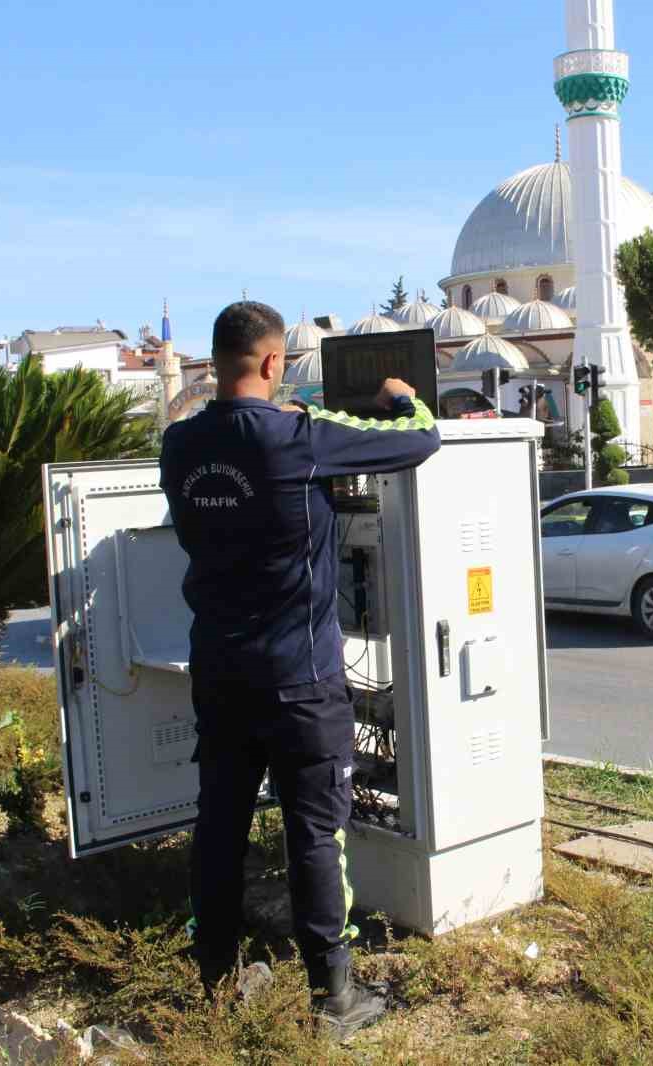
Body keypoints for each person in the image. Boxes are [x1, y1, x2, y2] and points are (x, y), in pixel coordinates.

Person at [159, 301, 440, 1036]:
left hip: (220, 674)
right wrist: (400, 395)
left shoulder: (179, 445)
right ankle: (334, 998)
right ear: (274, 362)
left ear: (216, 360)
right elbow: (420, 437)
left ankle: (216, 978)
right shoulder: (298, 436)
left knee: (219, 826)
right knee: (316, 834)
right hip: (300, 682)